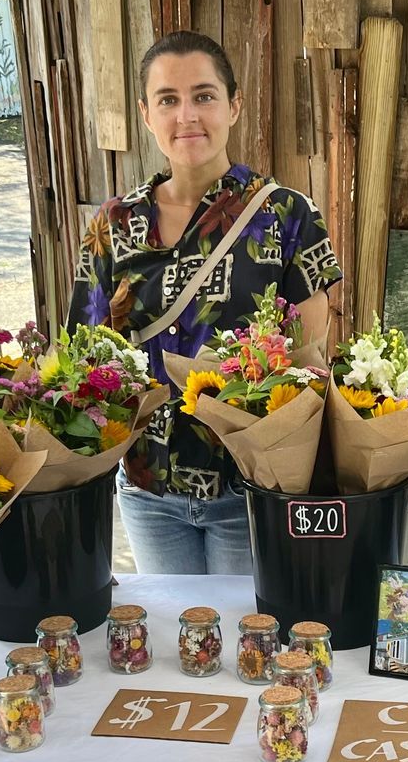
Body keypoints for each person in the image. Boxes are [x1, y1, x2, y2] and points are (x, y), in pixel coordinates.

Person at [71, 30, 341, 574]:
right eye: (168, 100)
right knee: (177, 646)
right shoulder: (114, 223)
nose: (187, 115)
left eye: (204, 95)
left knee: (253, 642)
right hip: (149, 487)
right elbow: (86, 355)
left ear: (234, 106)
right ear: (147, 114)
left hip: (251, 490)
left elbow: (311, 361)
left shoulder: (288, 216)